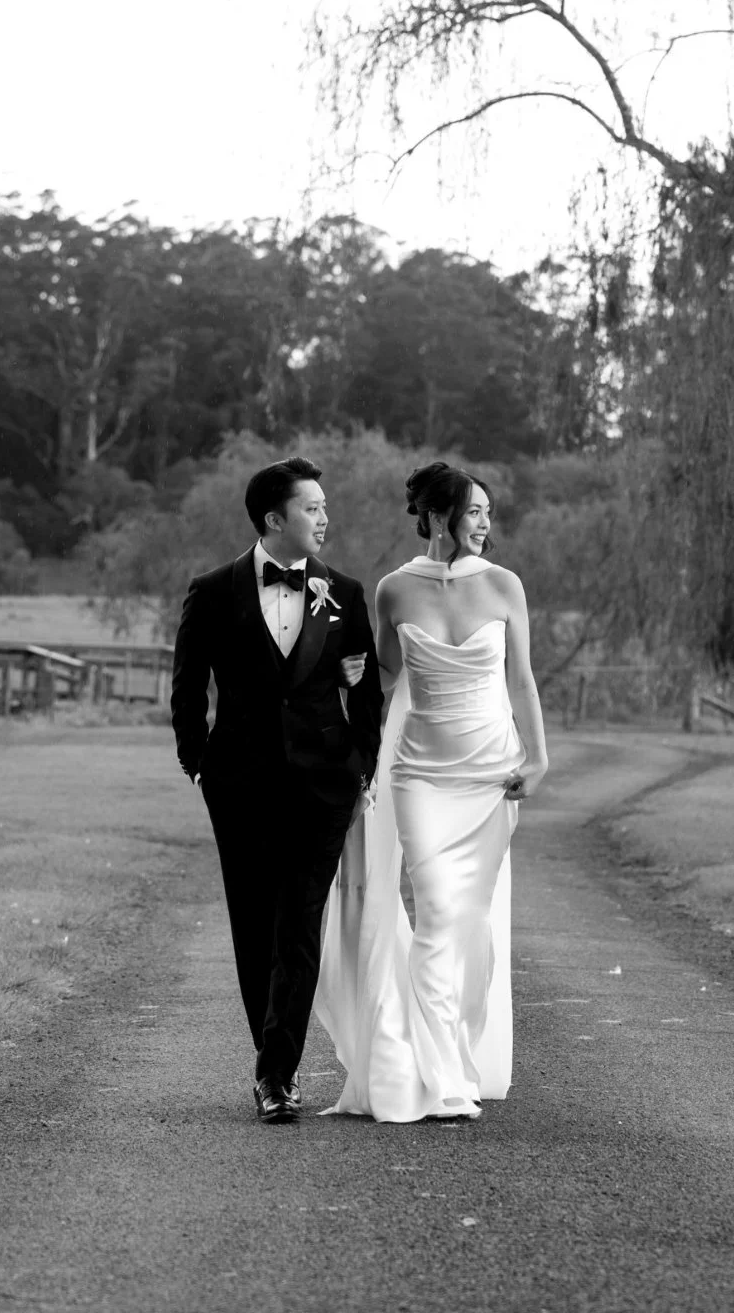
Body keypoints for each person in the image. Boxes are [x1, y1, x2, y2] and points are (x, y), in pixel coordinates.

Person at [314, 460, 548, 1122]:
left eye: (489, 514)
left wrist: (538, 757)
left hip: (489, 775)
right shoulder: (394, 589)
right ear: (439, 516)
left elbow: (522, 680)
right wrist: (348, 679)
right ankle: (442, 1079)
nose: (485, 524)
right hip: (419, 775)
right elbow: (387, 675)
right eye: (474, 511)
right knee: (440, 909)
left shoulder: (503, 586)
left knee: (468, 924)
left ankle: (461, 1057)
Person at [171, 455, 383, 1124]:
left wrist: (363, 766)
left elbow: (367, 691)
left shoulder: (344, 592)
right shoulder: (213, 591)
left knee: (299, 921)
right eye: (311, 507)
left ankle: (277, 1074)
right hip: (239, 783)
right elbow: (187, 685)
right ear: (273, 518)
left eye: (323, 506)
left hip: (323, 785)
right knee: (254, 924)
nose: (324, 517)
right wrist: (197, 763)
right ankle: (273, 1058)